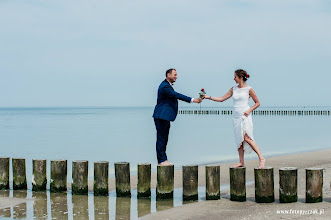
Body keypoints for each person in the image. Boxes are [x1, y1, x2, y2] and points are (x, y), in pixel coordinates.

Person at [202, 69, 266, 169]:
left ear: (240, 77)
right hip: (236, 116)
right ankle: (241, 162)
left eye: (235, 77)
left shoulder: (249, 89)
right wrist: (208, 97)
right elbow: (222, 99)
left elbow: (258, 103)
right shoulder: (233, 88)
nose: (233, 79)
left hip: (245, 115)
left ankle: (261, 158)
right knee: (239, 139)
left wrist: (249, 110)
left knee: (247, 138)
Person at [153, 68, 202, 166]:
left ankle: (163, 159)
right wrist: (192, 100)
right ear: (168, 75)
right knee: (161, 138)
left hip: (164, 116)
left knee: (164, 138)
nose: (176, 77)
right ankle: (162, 160)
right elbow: (176, 95)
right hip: (161, 115)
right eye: (174, 75)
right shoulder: (165, 86)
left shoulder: (167, 85)